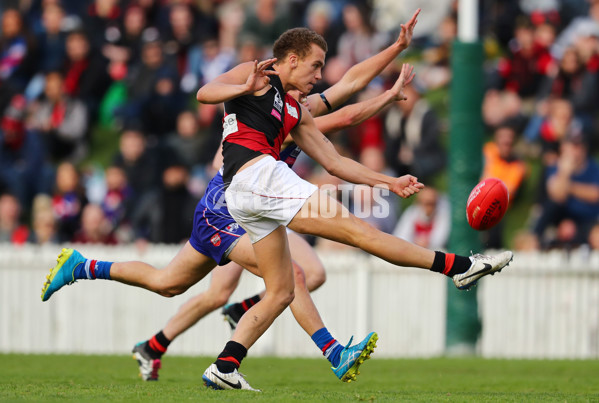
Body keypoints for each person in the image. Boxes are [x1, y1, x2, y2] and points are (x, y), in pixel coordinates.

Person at [41, 10, 421, 385]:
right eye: (314, 69)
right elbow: (344, 117)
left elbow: (350, 84)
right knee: (289, 278)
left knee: (173, 282)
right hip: (227, 206)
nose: (319, 81)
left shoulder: (294, 109)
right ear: (291, 63)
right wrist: (386, 98)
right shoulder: (278, 114)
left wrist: (395, 51)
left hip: (261, 202)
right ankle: (331, 351)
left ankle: (88, 272)